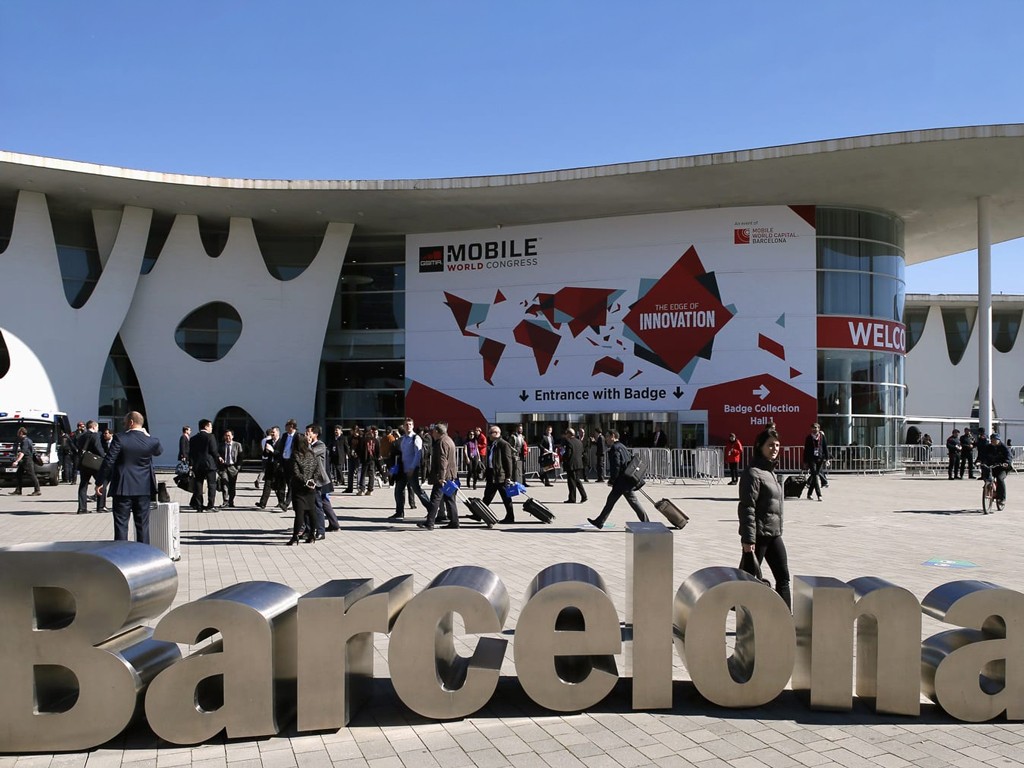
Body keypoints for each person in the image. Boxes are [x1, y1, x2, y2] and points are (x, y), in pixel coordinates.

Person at [738, 426, 791, 609]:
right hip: (759, 536)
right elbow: (747, 507)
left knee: (783, 577)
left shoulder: (770, 472)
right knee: (748, 581)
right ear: (760, 446)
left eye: (777, 445)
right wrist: (748, 539)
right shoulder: (753, 473)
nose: (774, 448)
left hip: (774, 534)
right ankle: (745, 617)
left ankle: (786, 619)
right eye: (770, 445)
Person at [96, 411, 163, 545]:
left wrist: (100, 481)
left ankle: (122, 553)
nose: (123, 424)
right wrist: (148, 436)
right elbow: (159, 451)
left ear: (131, 422)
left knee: (121, 524)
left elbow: (109, 461)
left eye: (124, 422)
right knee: (143, 525)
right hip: (143, 488)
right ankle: (144, 553)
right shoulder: (152, 441)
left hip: (123, 487)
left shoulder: (120, 438)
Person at [587, 429, 648, 530]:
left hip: (621, 481)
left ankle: (646, 522)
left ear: (613, 436)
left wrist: (612, 480)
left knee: (632, 501)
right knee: (612, 501)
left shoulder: (614, 448)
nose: (606, 439)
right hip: (626, 479)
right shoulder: (622, 446)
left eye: (607, 436)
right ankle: (599, 521)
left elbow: (616, 466)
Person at [418, 422, 459, 530]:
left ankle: (430, 522)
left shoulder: (442, 442)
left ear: (437, 431)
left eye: (433, 431)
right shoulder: (449, 440)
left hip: (443, 476)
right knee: (450, 499)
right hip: (450, 474)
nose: (432, 433)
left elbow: (443, 461)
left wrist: (441, 477)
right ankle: (454, 522)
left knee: (435, 499)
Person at [390, 417, 431, 520]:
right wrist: (394, 470)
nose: (408, 426)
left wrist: (413, 468)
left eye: (410, 424)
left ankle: (431, 510)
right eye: (406, 424)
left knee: (417, 490)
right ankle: (399, 512)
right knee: (398, 490)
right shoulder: (403, 439)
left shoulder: (415, 438)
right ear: (403, 426)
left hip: (412, 469)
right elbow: (400, 455)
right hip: (403, 469)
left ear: (413, 426)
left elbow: (418, 454)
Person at [287, 434, 320, 545]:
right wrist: (313, 481)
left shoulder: (295, 455)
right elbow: (317, 469)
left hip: (299, 488)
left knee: (299, 513)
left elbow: (295, 472)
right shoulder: (312, 454)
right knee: (312, 511)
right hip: (311, 488)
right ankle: (312, 535)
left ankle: (295, 536)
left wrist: (306, 481)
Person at [306, 424, 338, 534]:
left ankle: (321, 530)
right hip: (309, 479)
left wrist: (308, 444)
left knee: (318, 504)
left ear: (315, 434)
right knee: (309, 505)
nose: (307, 434)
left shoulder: (320, 445)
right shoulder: (308, 445)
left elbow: (309, 454)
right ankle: (309, 529)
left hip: (318, 480)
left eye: (309, 432)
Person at [483, 425, 516, 523]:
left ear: (496, 433)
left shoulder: (503, 444)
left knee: (506, 497)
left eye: (490, 433)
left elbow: (508, 461)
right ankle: (478, 514)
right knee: (487, 496)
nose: (488, 435)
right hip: (492, 474)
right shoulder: (493, 444)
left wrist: (508, 476)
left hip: (500, 476)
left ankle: (510, 517)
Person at [189, 419, 220, 512]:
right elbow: (214, 450)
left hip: (198, 465)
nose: (211, 428)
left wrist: (191, 464)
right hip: (209, 464)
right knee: (212, 485)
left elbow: (191, 453)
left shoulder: (193, 438)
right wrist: (218, 458)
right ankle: (210, 506)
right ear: (206, 427)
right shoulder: (211, 437)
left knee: (198, 484)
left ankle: (199, 506)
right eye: (210, 426)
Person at [75, 420, 105, 512]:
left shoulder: (81, 436)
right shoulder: (95, 436)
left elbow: (78, 446)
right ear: (93, 427)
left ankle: (82, 508)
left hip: (84, 463)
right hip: (95, 464)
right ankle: (100, 507)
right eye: (97, 427)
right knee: (101, 483)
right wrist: (104, 457)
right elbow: (98, 448)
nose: (97, 429)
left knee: (83, 486)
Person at [978, 432, 1011, 511]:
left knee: (1000, 479)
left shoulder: (1004, 448)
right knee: (986, 477)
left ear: (998, 440)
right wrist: (979, 461)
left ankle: (1002, 498)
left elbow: (1009, 457)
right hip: (991, 466)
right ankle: (988, 488)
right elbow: (982, 455)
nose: (992, 441)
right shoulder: (988, 447)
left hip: (1002, 468)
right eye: (992, 439)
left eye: (994, 440)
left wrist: (1006, 463)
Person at [9, 426, 42, 496]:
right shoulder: (29, 440)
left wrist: (16, 461)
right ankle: (18, 490)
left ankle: (37, 490)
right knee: (19, 474)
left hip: (27, 460)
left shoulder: (25, 441)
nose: (17, 434)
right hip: (26, 459)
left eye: (18, 433)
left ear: (21, 433)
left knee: (32, 475)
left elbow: (23, 452)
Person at [256, 426, 283, 509]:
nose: (272, 434)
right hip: (270, 465)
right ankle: (262, 503)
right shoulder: (269, 441)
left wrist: (272, 450)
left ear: (278, 433)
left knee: (278, 486)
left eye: (273, 432)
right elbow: (265, 454)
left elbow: (281, 455)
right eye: (271, 432)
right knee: (267, 485)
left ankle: (282, 502)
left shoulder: (282, 442)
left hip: (278, 466)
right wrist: (267, 451)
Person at [803, 423, 829, 501]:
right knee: (815, 476)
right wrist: (805, 461)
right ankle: (819, 495)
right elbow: (806, 450)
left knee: (815, 475)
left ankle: (809, 494)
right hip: (811, 459)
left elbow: (825, 447)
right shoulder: (809, 437)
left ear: (819, 428)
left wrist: (827, 459)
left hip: (820, 458)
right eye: (813, 428)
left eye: (816, 428)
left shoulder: (822, 437)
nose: (814, 429)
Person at [561, 427, 587, 504]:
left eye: (566, 434)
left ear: (569, 434)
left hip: (571, 464)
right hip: (578, 464)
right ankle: (584, 496)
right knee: (577, 480)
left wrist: (563, 457)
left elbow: (568, 454)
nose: (565, 435)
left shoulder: (568, 442)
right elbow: (582, 452)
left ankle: (572, 498)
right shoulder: (579, 442)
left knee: (571, 481)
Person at [218, 429, 243, 507]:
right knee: (224, 484)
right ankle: (225, 501)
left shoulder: (237, 445)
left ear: (232, 436)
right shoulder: (221, 445)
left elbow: (240, 456)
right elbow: (217, 454)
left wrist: (238, 467)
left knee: (232, 485)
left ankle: (231, 501)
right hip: (224, 467)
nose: (227, 437)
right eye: (226, 435)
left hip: (233, 467)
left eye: (229, 435)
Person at [357, 426, 380, 496]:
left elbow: (359, 449)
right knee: (371, 474)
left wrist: (360, 457)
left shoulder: (363, 440)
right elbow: (378, 450)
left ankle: (362, 489)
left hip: (365, 459)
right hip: (372, 459)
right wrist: (377, 457)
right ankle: (370, 490)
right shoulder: (375, 440)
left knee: (363, 474)